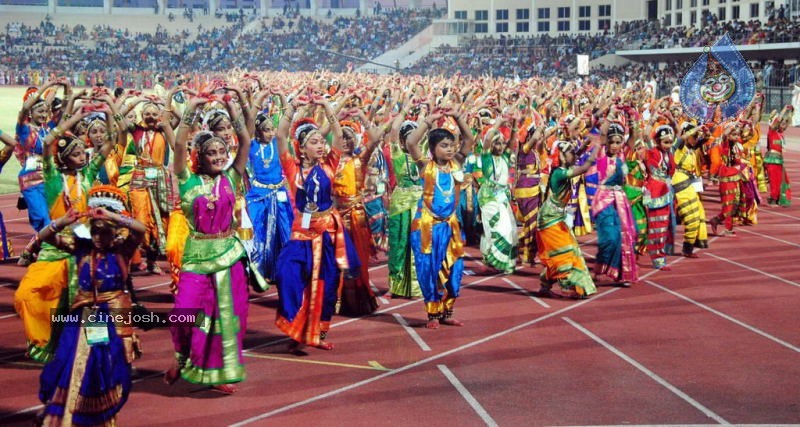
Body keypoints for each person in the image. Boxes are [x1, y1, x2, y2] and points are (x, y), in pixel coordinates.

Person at [165, 95, 264, 394]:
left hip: (229, 255)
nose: (220, 156)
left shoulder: (232, 178)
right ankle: (181, 357)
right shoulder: (186, 180)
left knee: (226, 317)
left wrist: (234, 110)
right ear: (200, 156)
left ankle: (217, 370)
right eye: (212, 152)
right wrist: (191, 110)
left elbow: (245, 142)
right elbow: (179, 145)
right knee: (185, 312)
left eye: (222, 151)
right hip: (196, 256)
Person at [36, 187, 144, 426]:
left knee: (109, 366)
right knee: (71, 362)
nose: (98, 238)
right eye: (95, 232)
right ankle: (69, 415)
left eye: (104, 233)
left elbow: (140, 230)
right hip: (85, 315)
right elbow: (44, 236)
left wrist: (112, 216)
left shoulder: (122, 250)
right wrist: (63, 221)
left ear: (114, 233)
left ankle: (103, 416)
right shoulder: (82, 249)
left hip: (114, 316)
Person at [273, 97, 360, 351]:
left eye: (322, 142)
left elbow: (336, 133)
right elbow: (280, 136)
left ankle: (318, 333)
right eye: (314, 142)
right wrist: (291, 108)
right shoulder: (292, 168)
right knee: (287, 274)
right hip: (301, 233)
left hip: (327, 233)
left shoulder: (331, 165)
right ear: (301, 148)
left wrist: (327, 108)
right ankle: (294, 325)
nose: (321, 145)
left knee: (327, 282)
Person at [405, 106, 475, 329]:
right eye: (444, 146)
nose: (450, 149)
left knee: (454, 268)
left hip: (451, 227)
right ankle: (433, 314)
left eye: (452, 145)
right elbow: (411, 144)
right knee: (429, 270)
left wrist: (457, 116)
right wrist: (428, 120)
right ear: (433, 149)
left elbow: (469, 140)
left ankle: (447, 311)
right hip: (427, 227)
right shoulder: (427, 166)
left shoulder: (457, 163)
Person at [536, 138, 599, 298]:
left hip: (557, 218)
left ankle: (545, 284)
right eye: (570, 153)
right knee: (564, 252)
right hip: (549, 220)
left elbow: (575, 158)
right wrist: (597, 147)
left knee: (568, 251)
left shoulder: (564, 168)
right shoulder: (559, 173)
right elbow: (584, 168)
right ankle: (567, 286)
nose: (574, 156)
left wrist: (584, 146)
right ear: (563, 157)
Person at [246, 111, 293, 284]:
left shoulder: (277, 143)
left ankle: (285, 269)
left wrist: (287, 104)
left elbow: (284, 128)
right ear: (258, 131)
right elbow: (246, 129)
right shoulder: (251, 146)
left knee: (284, 230)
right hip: (258, 195)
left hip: (280, 193)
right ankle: (261, 270)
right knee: (260, 232)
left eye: (272, 129)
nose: (271, 133)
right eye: (266, 130)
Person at [591, 122, 638, 286]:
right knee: (610, 238)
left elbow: (633, 138)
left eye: (618, 142)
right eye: (612, 142)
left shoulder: (622, 157)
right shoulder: (601, 156)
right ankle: (602, 268)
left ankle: (622, 274)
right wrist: (609, 113)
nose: (615, 146)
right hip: (603, 199)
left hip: (620, 199)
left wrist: (632, 122)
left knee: (624, 236)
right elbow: (601, 136)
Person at [386, 119, 423, 299]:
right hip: (400, 205)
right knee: (399, 245)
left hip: (420, 205)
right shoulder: (397, 154)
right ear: (402, 141)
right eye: (408, 138)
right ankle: (396, 285)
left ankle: (419, 285)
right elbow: (393, 130)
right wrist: (406, 106)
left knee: (419, 244)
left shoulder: (424, 158)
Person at [477, 118, 518, 274]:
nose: (500, 147)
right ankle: (495, 259)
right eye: (497, 143)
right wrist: (498, 123)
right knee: (498, 227)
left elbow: (513, 140)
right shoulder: (486, 158)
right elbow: (486, 139)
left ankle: (492, 259)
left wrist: (514, 124)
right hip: (488, 197)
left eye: (502, 143)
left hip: (502, 197)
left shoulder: (505, 157)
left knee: (511, 229)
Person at [672, 122, 709, 258]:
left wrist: (704, 131)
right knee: (691, 216)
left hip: (689, 183)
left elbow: (706, 139)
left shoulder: (692, 148)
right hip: (680, 183)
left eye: (696, 136)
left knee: (698, 214)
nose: (695, 138)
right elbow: (682, 137)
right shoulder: (680, 148)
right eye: (693, 136)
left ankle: (690, 245)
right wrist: (697, 128)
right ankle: (687, 248)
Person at [644, 124, 677, 269]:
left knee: (667, 225)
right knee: (657, 226)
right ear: (658, 141)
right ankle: (657, 258)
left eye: (670, 142)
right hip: (656, 192)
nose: (668, 145)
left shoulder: (669, 154)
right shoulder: (653, 152)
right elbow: (645, 136)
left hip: (667, 192)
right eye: (665, 142)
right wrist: (652, 118)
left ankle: (662, 255)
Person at [764, 106, 793, 207]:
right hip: (772, 159)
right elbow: (778, 120)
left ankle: (779, 198)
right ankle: (773, 198)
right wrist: (784, 109)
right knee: (774, 180)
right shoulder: (772, 131)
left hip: (779, 160)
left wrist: (790, 113)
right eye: (782, 124)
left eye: (785, 125)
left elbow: (787, 121)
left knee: (783, 180)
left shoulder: (781, 134)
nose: (784, 126)